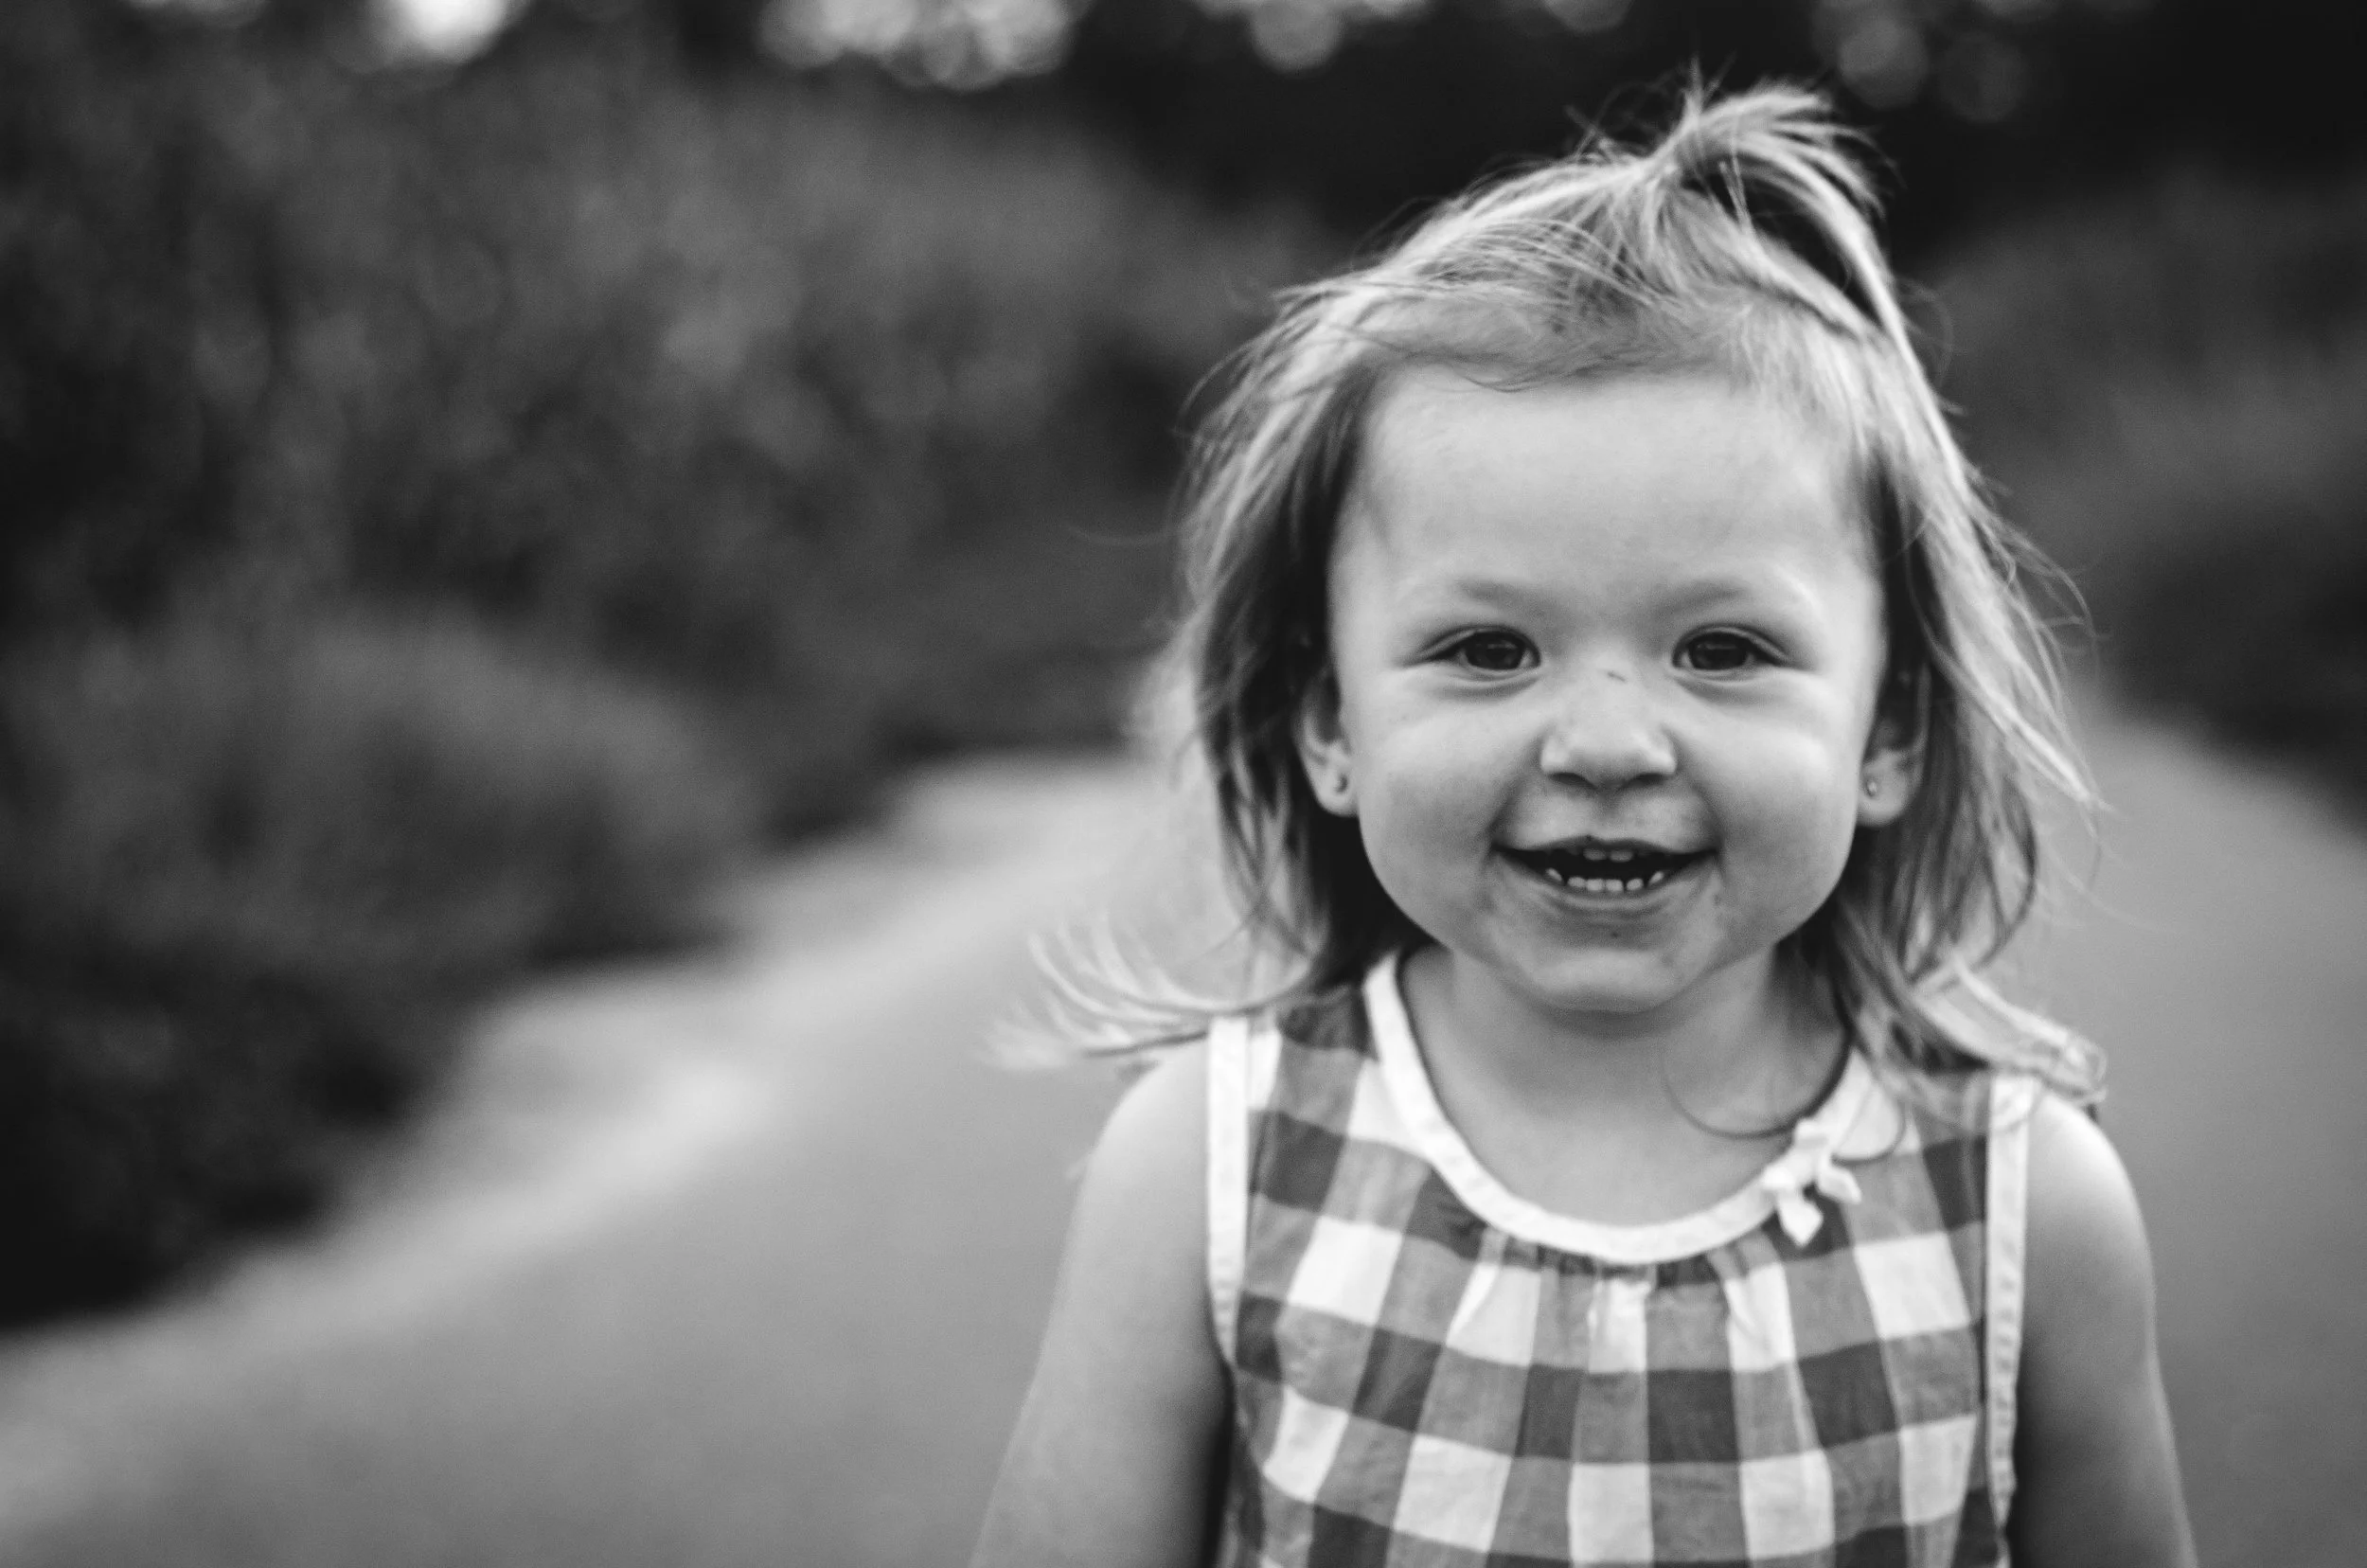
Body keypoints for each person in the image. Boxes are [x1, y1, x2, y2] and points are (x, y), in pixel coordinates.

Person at [972, 84, 2195, 1568]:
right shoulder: (1211, 1166)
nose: (1608, 742)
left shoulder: (2026, 1207)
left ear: (1886, 733)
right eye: (1490, 650)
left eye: (1724, 650)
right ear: (1331, 727)